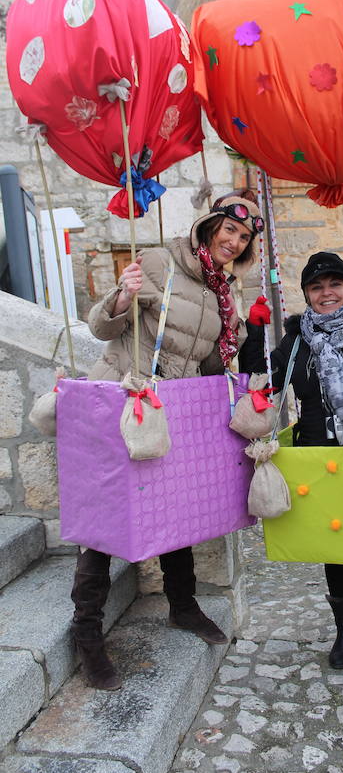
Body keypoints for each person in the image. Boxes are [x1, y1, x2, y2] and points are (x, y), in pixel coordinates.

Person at [71, 189, 264, 691]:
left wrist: (243, 336)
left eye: (242, 237)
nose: (234, 240)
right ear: (209, 225)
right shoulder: (159, 261)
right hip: (123, 398)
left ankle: (182, 606)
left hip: (169, 410)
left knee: (172, 508)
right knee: (102, 516)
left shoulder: (222, 290)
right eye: (229, 229)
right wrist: (120, 296)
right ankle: (87, 632)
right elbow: (100, 325)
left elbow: (206, 364)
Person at [252, 252, 343, 673]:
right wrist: (254, 331)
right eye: (317, 287)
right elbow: (261, 377)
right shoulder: (296, 342)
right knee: (335, 546)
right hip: (320, 457)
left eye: (334, 284)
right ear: (308, 296)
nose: (326, 293)